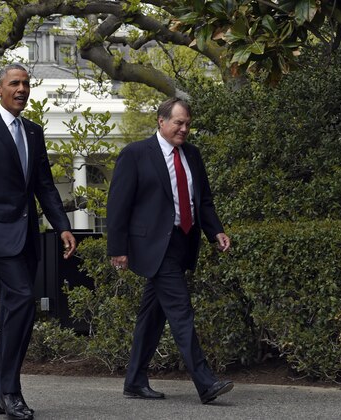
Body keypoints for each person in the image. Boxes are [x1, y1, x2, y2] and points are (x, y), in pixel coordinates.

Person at [0, 63, 77, 420]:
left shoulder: (34, 131)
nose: (22, 89)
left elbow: (43, 185)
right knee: (25, 300)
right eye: (14, 83)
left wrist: (63, 225)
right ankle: (11, 392)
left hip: (27, 237)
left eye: (26, 83)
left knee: (15, 312)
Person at [107, 98, 233, 404]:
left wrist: (216, 230)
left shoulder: (192, 154)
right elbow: (118, 204)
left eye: (187, 123)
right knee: (180, 311)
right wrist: (118, 248)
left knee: (152, 315)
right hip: (153, 245)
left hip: (183, 241)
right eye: (178, 122)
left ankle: (135, 380)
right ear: (161, 121)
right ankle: (205, 383)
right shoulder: (136, 154)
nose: (184, 129)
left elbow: (203, 201)